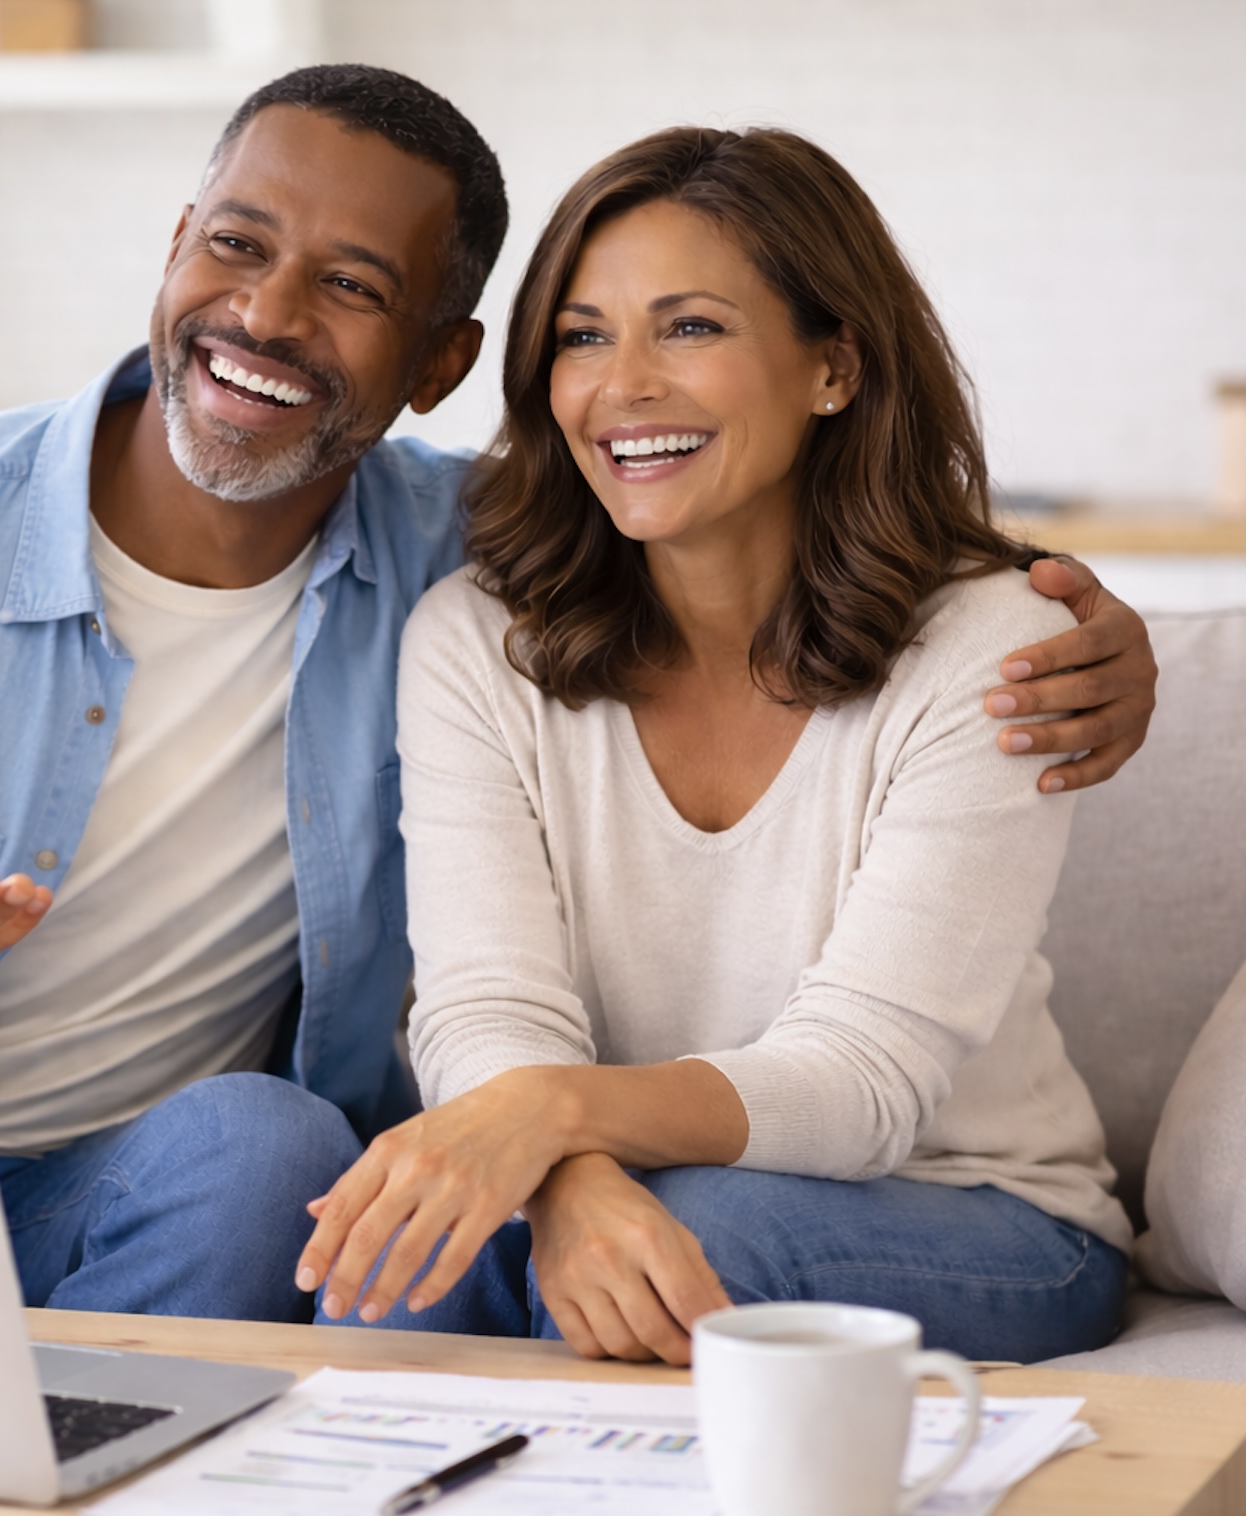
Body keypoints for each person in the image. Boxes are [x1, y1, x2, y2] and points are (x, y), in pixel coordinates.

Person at [0, 69, 1157, 1321]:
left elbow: (782, 531)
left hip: (124, 1203)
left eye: (348, 287)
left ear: (432, 364)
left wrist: (1084, 630)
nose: (264, 316)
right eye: (239, 245)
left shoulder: (470, 556)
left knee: (280, 1158)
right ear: (176, 243)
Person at [296, 125, 1133, 1365]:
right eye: (583, 336)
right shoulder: (475, 642)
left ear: (833, 367)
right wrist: (561, 1177)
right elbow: (488, 1000)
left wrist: (548, 1112)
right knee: (410, 1259)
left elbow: (863, 1080)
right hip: (616, 1172)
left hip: (983, 1210)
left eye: (690, 327)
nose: (623, 384)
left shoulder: (991, 646)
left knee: (706, 1231)